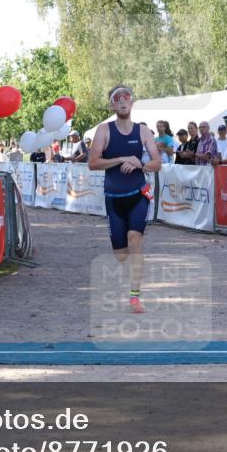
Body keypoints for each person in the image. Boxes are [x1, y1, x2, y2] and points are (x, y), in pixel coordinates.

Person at [88, 85, 162, 314]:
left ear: (131, 102)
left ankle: (134, 296)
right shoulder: (104, 130)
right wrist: (122, 159)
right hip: (114, 199)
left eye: (126, 97)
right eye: (117, 98)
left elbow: (157, 163)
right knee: (121, 255)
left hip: (138, 195)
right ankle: (133, 263)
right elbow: (93, 163)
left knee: (135, 239)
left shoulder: (143, 131)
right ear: (112, 105)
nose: (122, 100)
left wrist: (140, 163)